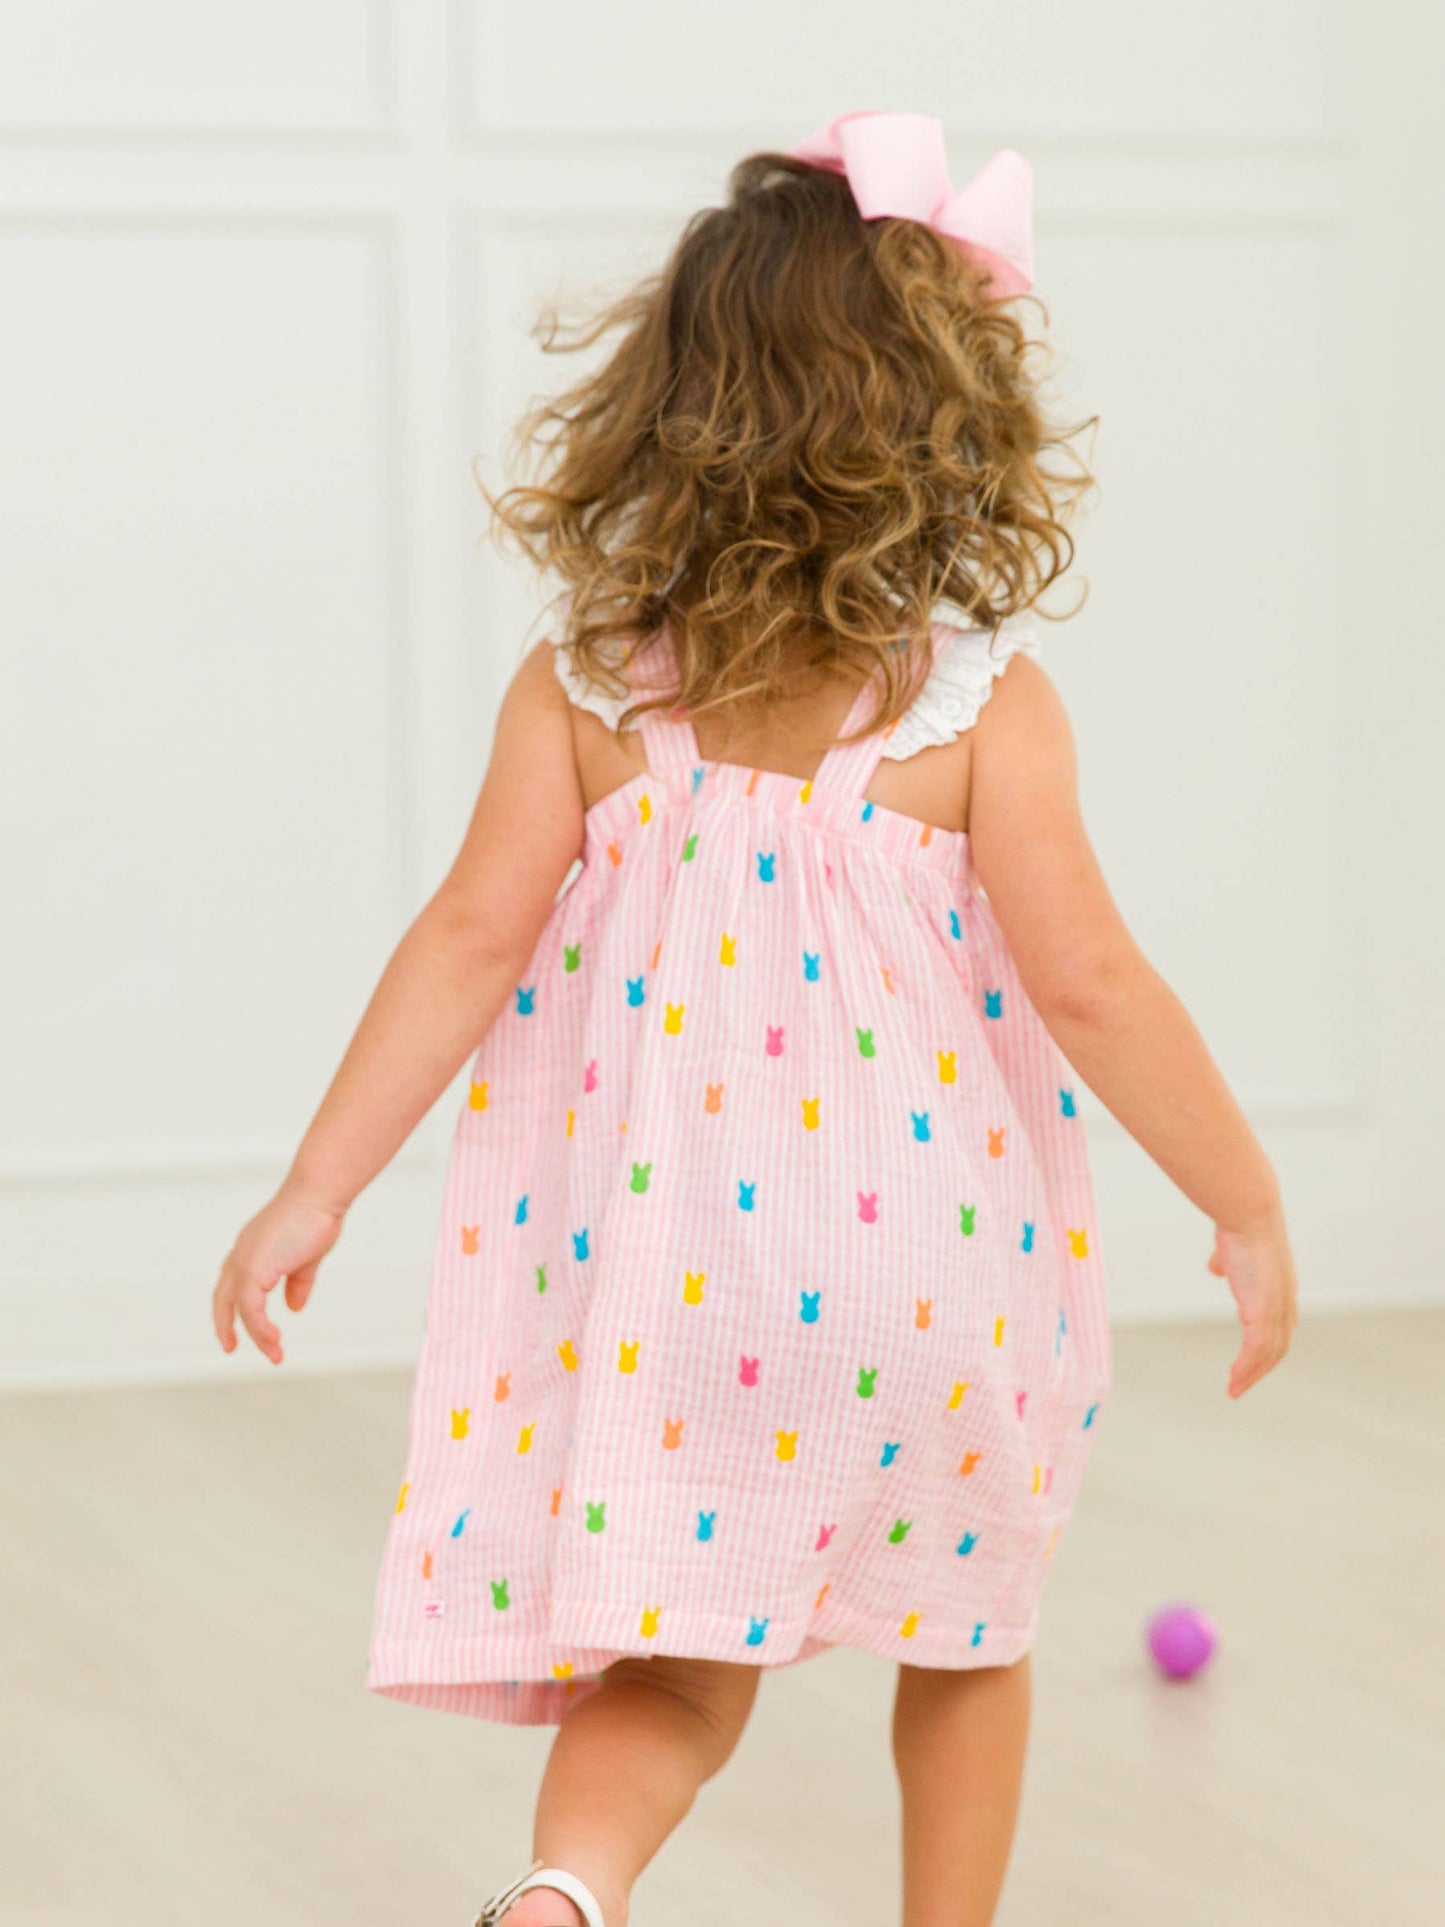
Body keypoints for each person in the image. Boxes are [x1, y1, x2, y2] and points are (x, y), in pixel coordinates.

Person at [211, 111, 1299, 1927]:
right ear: (948, 422)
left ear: (671, 406)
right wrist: (1244, 1198)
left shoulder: (587, 682)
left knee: (673, 1667)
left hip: (664, 1284)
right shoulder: (973, 708)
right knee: (964, 1638)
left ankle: (565, 1892)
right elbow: (1091, 980)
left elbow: (470, 932)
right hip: (928, 1285)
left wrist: (314, 1186)